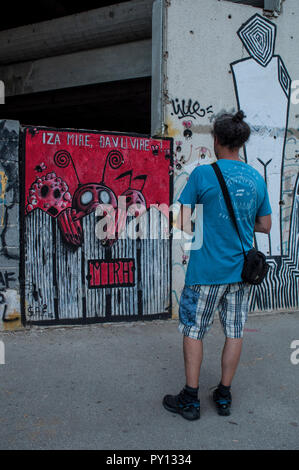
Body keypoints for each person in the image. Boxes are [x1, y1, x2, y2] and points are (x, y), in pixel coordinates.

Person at [163, 110, 272, 420]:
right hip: (241, 273)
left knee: (194, 332)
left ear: (216, 139)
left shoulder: (202, 174)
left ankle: (191, 399)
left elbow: (181, 222)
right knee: (234, 332)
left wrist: (207, 224)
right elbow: (265, 225)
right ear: (240, 142)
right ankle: (224, 396)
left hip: (205, 273)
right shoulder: (255, 177)